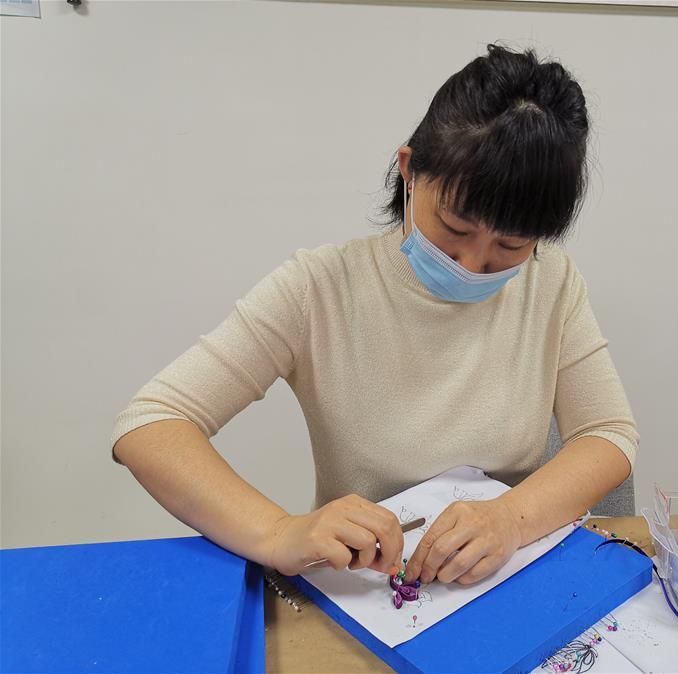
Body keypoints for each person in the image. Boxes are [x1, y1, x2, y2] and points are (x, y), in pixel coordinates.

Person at [110, 43, 639, 587]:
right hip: (367, 586)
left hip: (502, 580)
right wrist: (276, 532)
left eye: (511, 245)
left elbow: (607, 433)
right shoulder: (320, 287)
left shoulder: (551, 282)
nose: (472, 264)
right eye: (454, 229)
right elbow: (151, 423)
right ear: (410, 171)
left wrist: (510, 518)